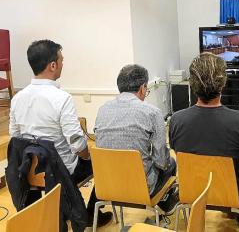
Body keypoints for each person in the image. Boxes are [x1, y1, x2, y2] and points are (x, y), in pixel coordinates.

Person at [9, 39, 112, 227]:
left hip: (30, 170)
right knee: (104, 163)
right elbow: (77, 144)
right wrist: (89, 156)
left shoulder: (17, 98)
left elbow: (15, 138)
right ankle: (88, 214)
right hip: (60, 172)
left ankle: (57, 210)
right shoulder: (61, 98)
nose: (63, 64)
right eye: (61, 60)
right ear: (53, 65)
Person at [169, 52, 239, 204]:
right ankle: (237, 207)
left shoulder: (176, 120)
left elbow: (179, 154)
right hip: (230, 192)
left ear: (192, 83)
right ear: (223, 83)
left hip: (192, 190)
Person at [94, 64, 177, 214]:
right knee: (171, 162)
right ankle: (165, 203)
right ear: (142, 88)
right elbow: (161, 162)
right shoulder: (152, 112)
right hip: (141, 188)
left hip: (107, 185)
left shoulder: (102, 109)